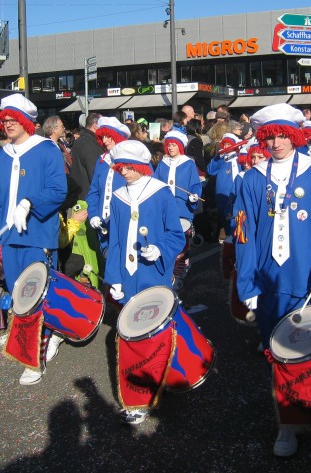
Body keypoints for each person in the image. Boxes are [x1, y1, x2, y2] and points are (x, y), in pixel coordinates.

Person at [234, 103, 311, 457]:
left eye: (283, 135)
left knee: (306, 353)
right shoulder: (252, 177)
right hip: (267, 284)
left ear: (294, 136)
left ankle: (304, 413)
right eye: (270, 136)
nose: (277, 142)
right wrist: (247, 285)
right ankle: (287, 423)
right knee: (276, 355)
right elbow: (244, 235)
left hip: (305, 280)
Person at [0, 94, 67, 385]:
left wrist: (31, 202)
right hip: (9, 238)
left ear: (26, 122)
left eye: (12, 119)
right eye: (4, 119)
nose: (7, 124)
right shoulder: (0, 156)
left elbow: (58, 190)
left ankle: (35, 357)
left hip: (37, 235)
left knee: (38, 296)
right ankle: (48, 336)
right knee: (19, 297)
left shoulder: (47, 150)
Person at [103, 140, 185, 425]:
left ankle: (164, 378)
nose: (124, 172)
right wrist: (113, 277)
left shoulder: (161, 193)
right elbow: (113, 241)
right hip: (126, 277)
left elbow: (176, 235)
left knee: (155, 333)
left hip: (153, 276)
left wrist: (160, 248)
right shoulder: (117, 196)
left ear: (142, 166)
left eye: (129, 167)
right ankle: (138, 396)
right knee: (130, 336)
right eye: (120, 167)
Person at [152, 129, 202, 291]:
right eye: (169, 145)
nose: (171, 148)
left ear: (180, 146)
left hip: (182, 209)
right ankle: (168, 271)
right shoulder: (163, 163)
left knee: (182, 241)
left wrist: (194, 195)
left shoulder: (188, 163)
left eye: (174, 145)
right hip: (165, 209)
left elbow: (195, 184)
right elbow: (155, 183)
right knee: (166, 239)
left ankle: (180, 269)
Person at [86, 116, 131, 254]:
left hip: (125, 223)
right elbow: (93, 192)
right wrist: (93, 214)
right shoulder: (101, 161)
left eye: (108, 136)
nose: (104, 141)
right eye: (102, 137)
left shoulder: (132, 159)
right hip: (103, 225)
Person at [69, 112, 102, 202]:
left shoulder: (82, 140)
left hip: (81, 193)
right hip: (89, 197)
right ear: (95, 125)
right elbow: (95, 172)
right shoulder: (89, 143)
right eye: (102, 125)